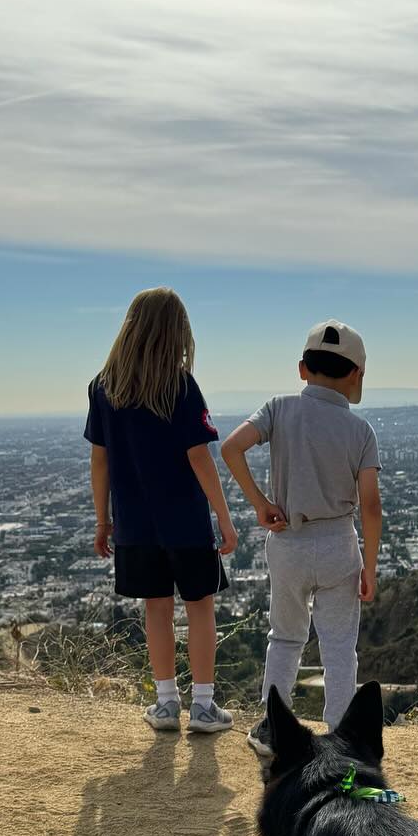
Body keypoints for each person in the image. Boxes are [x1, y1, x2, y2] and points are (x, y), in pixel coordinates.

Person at [220, 319, 382, 753]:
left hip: (288, 539)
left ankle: (273, 729)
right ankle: (343, 737)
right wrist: (370, 566)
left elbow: (231, 447)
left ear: (302, 369)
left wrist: (259, 503)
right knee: (339, 646)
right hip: (337, 544)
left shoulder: (279, 408)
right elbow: (370, 505)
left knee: (286, 636)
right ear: (356, 375)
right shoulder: (360, 432)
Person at [86, 287, 238, 734]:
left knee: (156, 608)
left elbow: (100, 460)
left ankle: (167, 704)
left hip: (135, 525)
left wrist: (103, 519)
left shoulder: (103, 387)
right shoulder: (180, 385)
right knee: (200, 607)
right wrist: (224, 522)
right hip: (186, 523)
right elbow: (199, 458)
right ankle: (205, 707)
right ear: (178, 332)